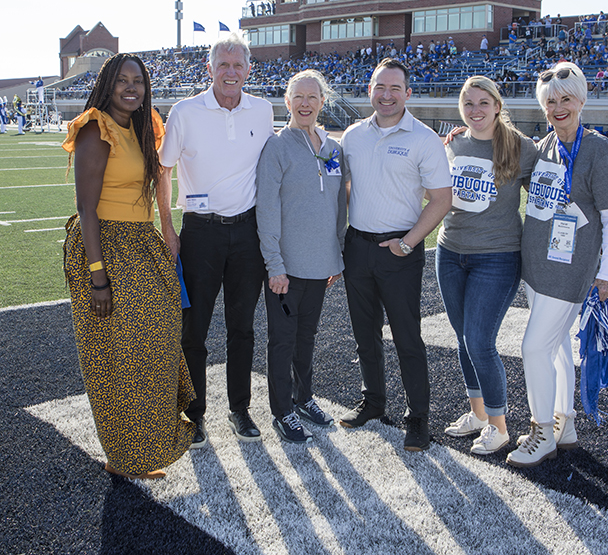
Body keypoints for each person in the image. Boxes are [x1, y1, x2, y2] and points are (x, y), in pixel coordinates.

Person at [62, 53, 195, 480]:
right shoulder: (95, 128)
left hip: (140, 243)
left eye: (138, 80)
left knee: (153, 346)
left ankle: (139, 448)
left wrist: (166, 230)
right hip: (105, 247)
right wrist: (98, 277)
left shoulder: (141, 126)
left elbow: (158, 182)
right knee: (118, 357)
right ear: (107, 84)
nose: (131, 87)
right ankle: (124, 457)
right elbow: (85, 208)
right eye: (122, 80)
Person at [158, 33, 274, 448]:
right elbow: (163, 169)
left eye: (237, 65)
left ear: (248, 70)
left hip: (247, 232)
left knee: (242, 327)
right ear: (209, 69)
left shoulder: (262, 111)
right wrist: (168, 228)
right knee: (194, 329)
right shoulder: (185, 111)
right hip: (200, 233)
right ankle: (195, 413)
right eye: (222, 65)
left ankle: (239, 409)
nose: (230, 72)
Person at [506, 62, 608, 468]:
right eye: (550, 101)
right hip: (537, 267)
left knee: (533, 347)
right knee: (554, 349)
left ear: (581, 100)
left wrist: (605, 274)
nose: (558, 108)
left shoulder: (598, 149)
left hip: (569, 270)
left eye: (565, 100)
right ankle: (564, 424)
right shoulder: (545, 148)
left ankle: (540, 433)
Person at [339, 58, 452, 451]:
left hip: (400, 250)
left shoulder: (423, 139)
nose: (386, 96)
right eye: (379, 87)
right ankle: (373, 402)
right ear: (370, 89)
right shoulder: (352, 135)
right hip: (357, 247)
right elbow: (347, 190)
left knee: (407, 338)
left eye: (394, 89)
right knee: (364, 335)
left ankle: (417, 417)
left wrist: (407, 243)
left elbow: (441, 199)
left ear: (407, 92)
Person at [437, 77, 537, 455]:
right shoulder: (454, 143)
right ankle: (478, 415)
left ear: (498, 105)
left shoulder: (519, 147)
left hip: (496, 257)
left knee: (480, 341)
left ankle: (500, 425)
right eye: (468, 103)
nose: (475, 110)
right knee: (464, 340)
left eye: (483, 103)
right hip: (449, 253)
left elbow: (548, 190)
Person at [256, 70, 346, 443]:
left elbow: (339, 204)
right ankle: (282, 411)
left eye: (313, 97)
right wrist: (275, 266)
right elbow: (266, 209)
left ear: (323, 102)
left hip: (320, 265)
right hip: (286, 269)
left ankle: (303, 397)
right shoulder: (277, 147)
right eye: (299, 97)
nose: (306, 103)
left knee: (307, 337)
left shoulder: (331, 148)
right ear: (287, 102)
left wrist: (334, 256)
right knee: (283, 339)